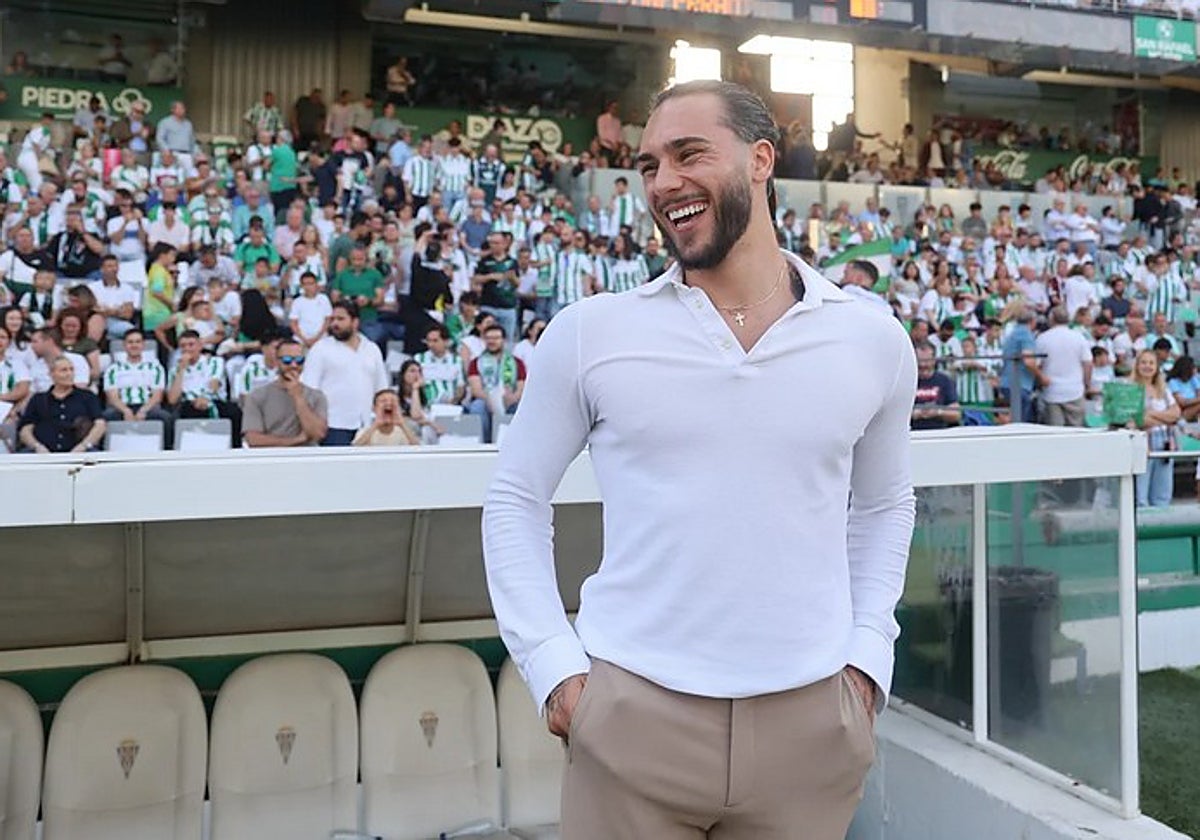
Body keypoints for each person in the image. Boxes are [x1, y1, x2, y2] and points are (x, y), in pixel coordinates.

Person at [483, 80, 915, 840]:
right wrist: (554, 669)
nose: (663, 183)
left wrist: (867, 659)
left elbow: (884, 506)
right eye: (648, 165)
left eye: (688, 155)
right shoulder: (591, 332)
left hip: (813, 724)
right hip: (630, 717)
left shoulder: (871, 337)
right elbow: (516, 496)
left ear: (760, 160)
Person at [300, 301, 389, 446]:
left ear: (355, 322)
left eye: (340, 319)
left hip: (366, 424)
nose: (335, 324)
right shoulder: (320, 349)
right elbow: (309, 390)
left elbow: (381, 389)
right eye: (332, 319)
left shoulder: (371, 349)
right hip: (333, 426)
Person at [241, 338, 329, 447]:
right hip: (271, 458)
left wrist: (298, 397)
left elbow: (318, 434)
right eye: (287, 360)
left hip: (306, 458)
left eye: (299, 360)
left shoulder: (317, 396)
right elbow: (253, 439)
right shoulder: (257, 396)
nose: (293, 365)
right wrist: (295, 441)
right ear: (277, 362)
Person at [18, 356, 105, 453]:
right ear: (52, 374)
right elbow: (25, 429)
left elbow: (100, 425)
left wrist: (84, 445)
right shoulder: (38, 399)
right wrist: (36, 446)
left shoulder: (87, 396)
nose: (69, 374)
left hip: (81, 451)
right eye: (64, 370)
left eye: (71, 370)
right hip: (43, 453)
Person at [166, 329, 241, 444]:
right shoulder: (174, 370)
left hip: (213, 400)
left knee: (234, 412)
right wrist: (181, 370)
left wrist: (204, 398)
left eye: (191, 345)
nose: (187, 349)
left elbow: (214, 384)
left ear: (200, 345)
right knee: (184, 412)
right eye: (183, 346)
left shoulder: (215, 361)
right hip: (188, 404)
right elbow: (172, 399)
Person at [1129, 349, 1180, 508]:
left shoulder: (1164, 390)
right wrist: (1164, 418)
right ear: (1137, 365)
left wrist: (1151, 414)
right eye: (1144, 362)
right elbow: (1137, 420)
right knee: (1141, 495)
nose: (1147, 366)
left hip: (1165, 442)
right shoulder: (1131, 389)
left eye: (1151, 363)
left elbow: (1176, 414)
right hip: (1142, 443)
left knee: (1162, 494)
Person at [101, 328, 171, 430]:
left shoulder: (155, 367)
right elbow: (112, 397)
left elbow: (157, 396)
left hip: (148, 406)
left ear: (143, 345)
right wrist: (126, 411)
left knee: (165, 418)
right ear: (124, 345)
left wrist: (143, 410)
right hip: (122, 407)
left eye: (138, 342)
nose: (134, 345)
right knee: (104, 418)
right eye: (130, 342)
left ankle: (167, 446)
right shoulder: (113, 369)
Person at [1035, 306, 1093, 427]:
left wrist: (1040, 383)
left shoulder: (1042, 339)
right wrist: (1086, 383)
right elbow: (1087, 363)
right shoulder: (1079, 337)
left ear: (1051, 319)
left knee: (1055, 434)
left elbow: (1037, 365)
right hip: (1075, 389)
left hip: (1052, 391)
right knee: (1076, 431)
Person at [465, 323, 523, 444]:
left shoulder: (516, 362)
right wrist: (492, 400)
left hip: (509, 400)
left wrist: (513, 398)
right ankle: (483, 444)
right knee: (477, 406)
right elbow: (476, 389)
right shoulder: (476, 362)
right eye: (488, 338)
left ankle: (514, 443)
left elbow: (521, 387)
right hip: (486, 399)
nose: (492, 341)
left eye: (496, 338)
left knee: (520, 407)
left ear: (504, 340)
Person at [911, 342, 961, 430]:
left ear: (934, 360)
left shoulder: (945, 380)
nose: (923, 364)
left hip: (938, 433)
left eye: (927, 360)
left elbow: (956, 414)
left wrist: (937, 412)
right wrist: (913, 414)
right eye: (920, 360)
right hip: (912, 433)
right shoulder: (908, 381)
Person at [353, 388, 418, 446]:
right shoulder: (365, 431)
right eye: (383, 401)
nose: (388, 403)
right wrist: (376, 424)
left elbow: (418, 449)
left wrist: (402, 424)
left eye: (393, 401)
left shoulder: (404, 431)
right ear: (374, 408)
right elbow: (355, 449)